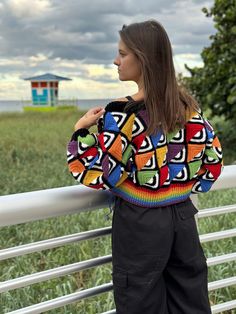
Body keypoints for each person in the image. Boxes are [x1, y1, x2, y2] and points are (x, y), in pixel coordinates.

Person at [67, 20, 223, 314]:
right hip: (182, 218)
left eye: (123, 53)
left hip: (140, 225)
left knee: (140, 301)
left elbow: (100, 174)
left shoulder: (123, 112)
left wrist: (80, 132)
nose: (116, 60)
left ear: (144, 58)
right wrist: (181, 187)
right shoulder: (187, 107)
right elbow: (213, 160)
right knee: (191, 301)